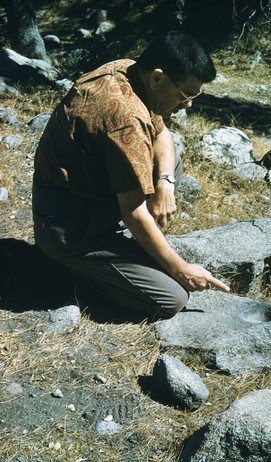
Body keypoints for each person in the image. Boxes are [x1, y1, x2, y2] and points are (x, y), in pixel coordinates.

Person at [32, 31, 230, 321]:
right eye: (186, 94)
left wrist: (165, 184)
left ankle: (128, 252)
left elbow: (162, 135)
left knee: (169, 165)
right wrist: (180, 269)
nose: (188, 104)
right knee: (171, 298)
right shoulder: (126, 122)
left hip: (80, 194)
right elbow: (134, 213)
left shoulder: (129, 69)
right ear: (159, 78)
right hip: (69, 228)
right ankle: (80, 269)